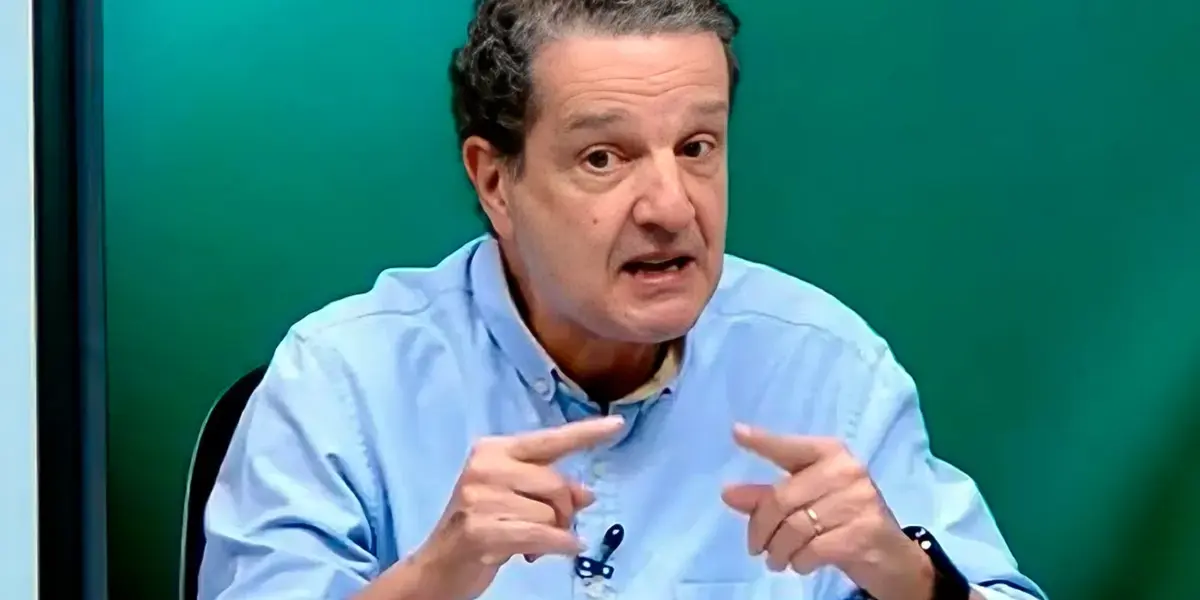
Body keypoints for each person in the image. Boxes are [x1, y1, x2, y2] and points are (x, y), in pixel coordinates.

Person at [198, 1, 1046, 599]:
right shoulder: (339, 383)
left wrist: (913, 578)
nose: (671, 207)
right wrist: (434, 577)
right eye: (604, 157)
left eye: (697, 146)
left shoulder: (828, 368)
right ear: (495, 181)